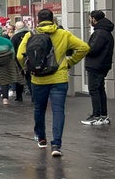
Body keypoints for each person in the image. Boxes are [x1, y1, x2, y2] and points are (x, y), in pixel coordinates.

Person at [17, 8, 90, 157]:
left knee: (39, 109)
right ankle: (56, 145)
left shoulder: (30, 35)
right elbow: (84, 47)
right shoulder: (63, 34)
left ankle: (41, 138)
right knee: (58, 111)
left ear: (38, 20)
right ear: (53, 19)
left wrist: (28, 68)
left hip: (38, 79)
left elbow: (19, 55)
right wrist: (70, 62)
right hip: (59, 78)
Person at [81, 10, 115, 126]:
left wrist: (84, 48)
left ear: (94, 19)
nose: (89, 21)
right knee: (100, 89)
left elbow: (93, 49)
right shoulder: (105, 31)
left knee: (94, 90)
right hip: (102, 64)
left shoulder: (100, 32)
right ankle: (103, 115)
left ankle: (97, 116)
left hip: (96, 65)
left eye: (90, 18)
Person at [8, 20, 30, 103]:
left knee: (19, 79)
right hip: (29, 60)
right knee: (30, 78)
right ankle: (33, 97)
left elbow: (11, 49)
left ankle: (19, 96)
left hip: (18, 61)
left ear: (17, 28)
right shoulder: (30, 34)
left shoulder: (15, 37)